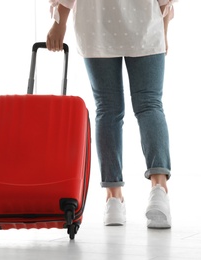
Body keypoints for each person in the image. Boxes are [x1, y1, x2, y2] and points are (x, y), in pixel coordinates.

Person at [46, 0, 176, 229]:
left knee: (107, 110)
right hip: (144, 22)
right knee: (149, 106)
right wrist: (163, 30)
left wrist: (60, 23)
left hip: (96, 25)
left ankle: (113, 199)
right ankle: (159, 191)